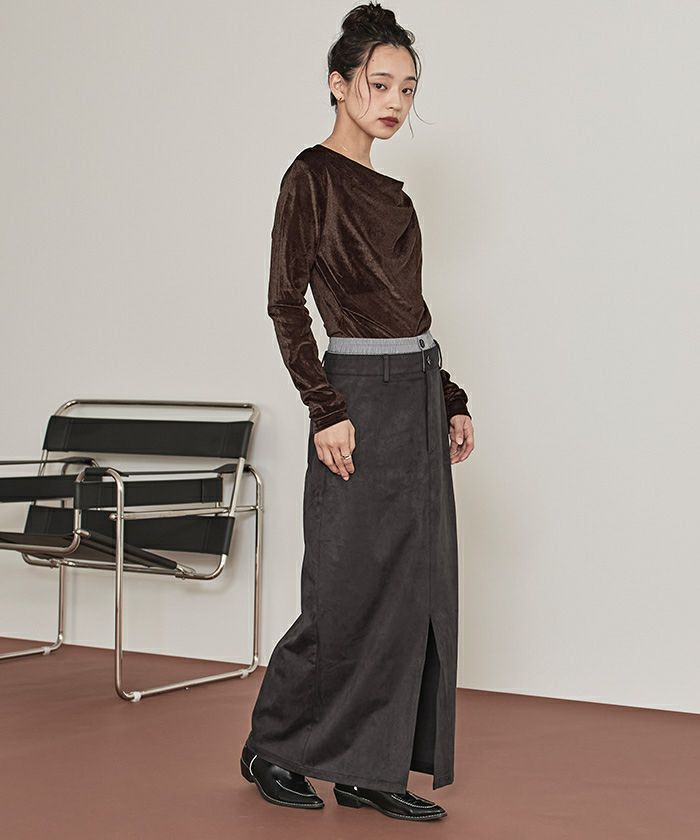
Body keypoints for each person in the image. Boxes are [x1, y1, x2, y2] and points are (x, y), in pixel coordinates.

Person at [241, 1, 474, 822]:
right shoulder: (310, 177)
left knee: (409, 591)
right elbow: (285, 303)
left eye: (408, 88)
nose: (395, 101)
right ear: (339, 84)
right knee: (342, 588)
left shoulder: (397, 199)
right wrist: (325, 408)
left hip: (415, 394)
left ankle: (370, 768)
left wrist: (447, 397)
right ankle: (274, 747)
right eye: (380, 84)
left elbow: (408, 310)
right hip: (356, 399)